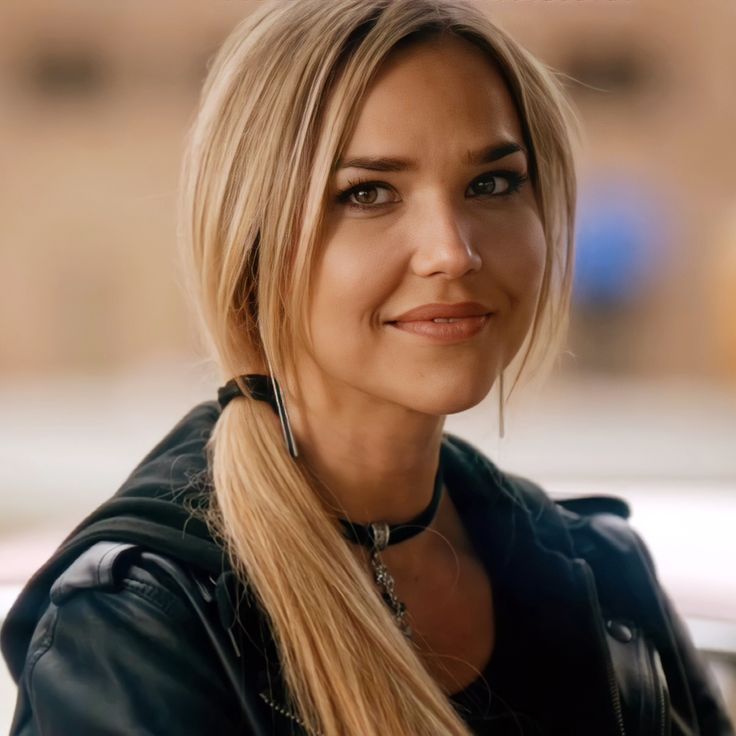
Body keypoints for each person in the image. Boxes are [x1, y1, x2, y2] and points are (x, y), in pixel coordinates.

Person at [2, 1, 733, 734]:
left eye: (492, 183)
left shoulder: (603, 575)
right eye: (368, 193)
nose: (452, 250)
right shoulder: (139, 623)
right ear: (253, 247)